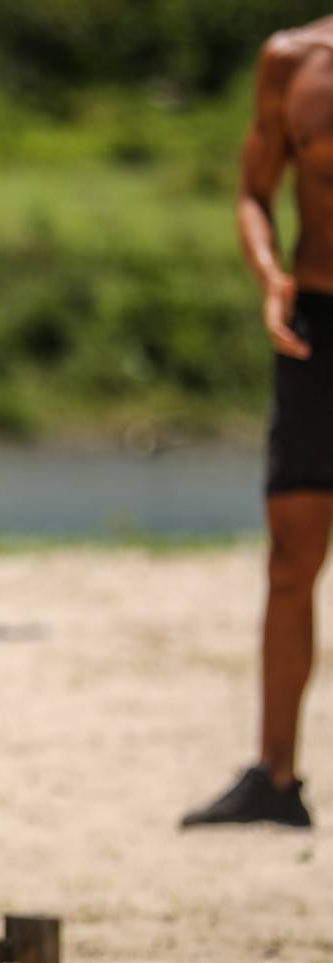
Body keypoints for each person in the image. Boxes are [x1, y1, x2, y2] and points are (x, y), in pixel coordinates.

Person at [183, 22, 329, 829]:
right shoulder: (293, 61)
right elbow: (252, 190)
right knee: (290, 556)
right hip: (317, 323)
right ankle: (276, 777)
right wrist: (271, 276)